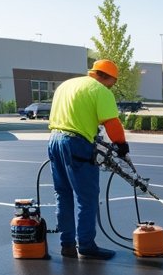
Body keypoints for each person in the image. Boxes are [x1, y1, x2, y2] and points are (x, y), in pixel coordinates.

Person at [46, 59, 131, 260]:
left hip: (54, 140)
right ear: (107, 77)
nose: (113, 85)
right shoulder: (100, 90)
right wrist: (122, 145)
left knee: (63, 194)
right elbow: (112, 123)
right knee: (87, 197)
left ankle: (67, 245)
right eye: (113, 81)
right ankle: (86, 245)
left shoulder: (66, 85)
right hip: (77, 144)